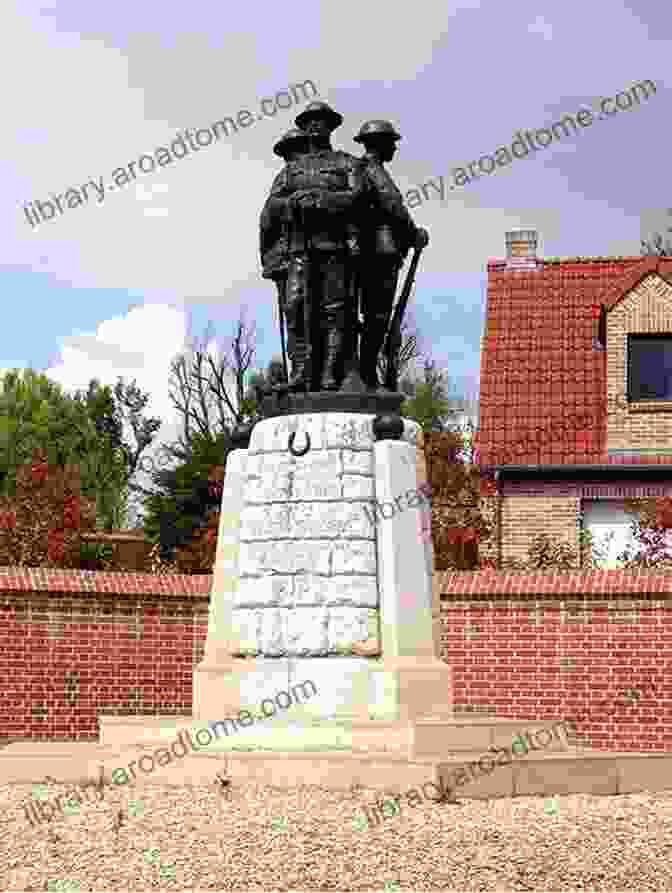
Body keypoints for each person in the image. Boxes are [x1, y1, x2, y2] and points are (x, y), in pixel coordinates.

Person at [260, 101, 368, 391]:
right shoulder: (290, 171)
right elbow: (271, 205)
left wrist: (324, 199)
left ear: (331, 126)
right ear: (304, 126)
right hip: (299, 248)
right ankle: (301, 373)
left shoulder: (347, 163)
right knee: (295, 307)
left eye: (321, 121)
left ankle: (330, 373)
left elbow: (358, 196)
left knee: (335, 310)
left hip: (334, 247)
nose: (315, 126)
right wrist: (294, 203)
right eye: (309, 121)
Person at [353, 120, 429, 390]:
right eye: (391, 142)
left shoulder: (366, 170)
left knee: (374, 315)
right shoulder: (373, 170)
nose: (395, 148)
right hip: (380, 252)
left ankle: (365, 372)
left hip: (373, 251)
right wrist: (414, 234)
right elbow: (393, 206)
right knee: (378, 316)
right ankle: (368, 375)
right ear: (380, 144)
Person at [260, 128, 310, 388]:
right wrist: (271, 262)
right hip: (287, 258)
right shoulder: (285, 179)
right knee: (295, 314)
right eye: (292, 151)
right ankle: (300, 370)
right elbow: (268, 219)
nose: (295, 156)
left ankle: (309, 373)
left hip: (310, 253)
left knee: (306, 314)